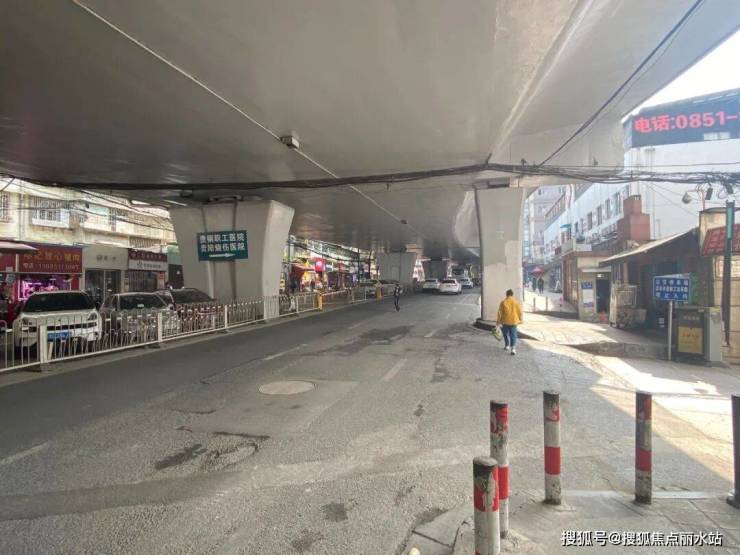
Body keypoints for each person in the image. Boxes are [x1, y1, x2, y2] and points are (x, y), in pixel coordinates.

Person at [496, 289, 523, 356]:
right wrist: (520, 319)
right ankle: (513, 348)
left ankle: (507, 345)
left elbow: (499, 312)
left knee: (505, 333)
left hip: (505, 321)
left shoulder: (503, 302)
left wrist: (498, 321)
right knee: (513, 335)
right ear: (512, 295)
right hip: (514, 321)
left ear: (506, 294)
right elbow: (519, 311)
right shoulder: (515, 302)